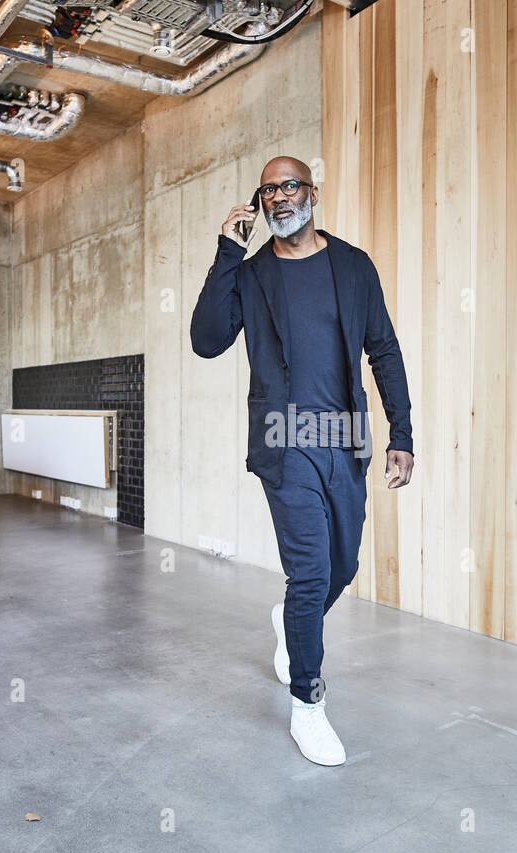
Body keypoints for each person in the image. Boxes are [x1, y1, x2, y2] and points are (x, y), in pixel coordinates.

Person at [190, 156, 414, 766]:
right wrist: (225, 254)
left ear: (312, 192)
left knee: (342, 566)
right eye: (269, 191)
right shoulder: (251, 273)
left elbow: (384, 351)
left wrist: (403, 433)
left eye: (291, 186)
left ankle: (291, 621)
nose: (280, 197)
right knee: (311, 574)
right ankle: (308, 707)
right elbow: (206, 341)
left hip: (344, 440)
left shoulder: (353, 266)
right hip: (282, 442)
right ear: (259, 204)